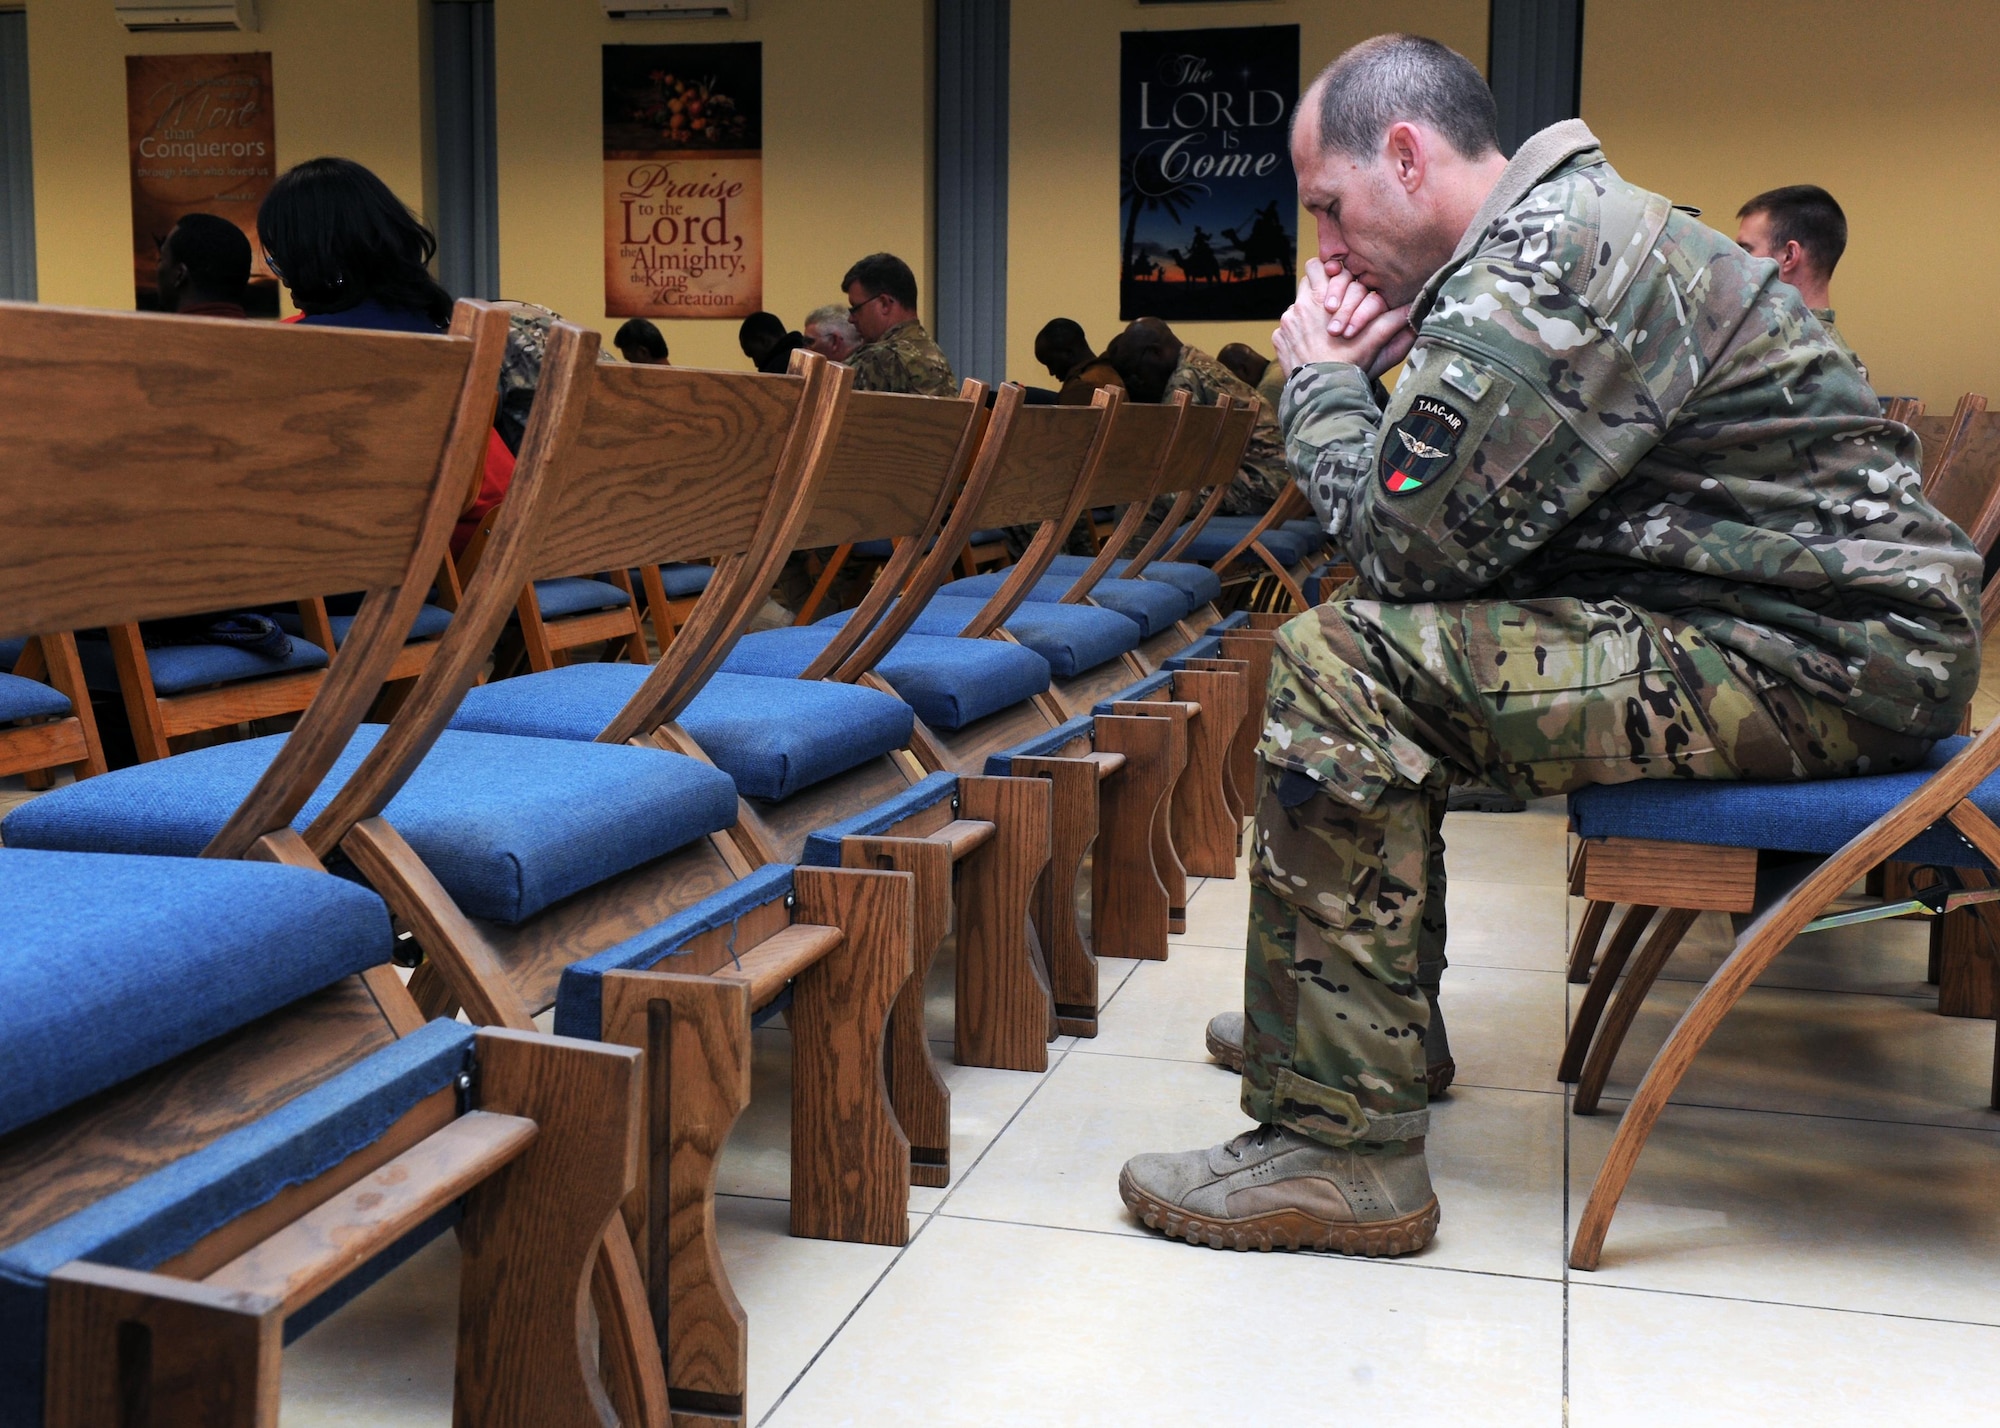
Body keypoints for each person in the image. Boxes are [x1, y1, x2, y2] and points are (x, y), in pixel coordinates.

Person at [1119, 34, 1978, 1259]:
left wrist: (1315, 378)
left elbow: (1398, 550)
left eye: (1327, 209)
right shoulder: (1548, 244)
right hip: (1809, 636)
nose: (1324, 252)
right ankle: (1362, 1043)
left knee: (1344, 662)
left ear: (1405, 156)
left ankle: (1339, 1151)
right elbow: (1460, 548)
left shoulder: (1542, 269)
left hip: (1817, 657)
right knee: (1374, 649)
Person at [259, 156, 511, 554]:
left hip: (414, 555)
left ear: (312, 256)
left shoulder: (301, 349)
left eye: (280, 260)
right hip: (499, 538)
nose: (284, 276)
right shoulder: (436, 331)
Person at [1104, 318, 1287, 514]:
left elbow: (1168, 457)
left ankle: (1156, 546)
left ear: (1155, 353)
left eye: (1136, 370)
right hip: (1278, 480)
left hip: (1262, 486)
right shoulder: (1198, 362)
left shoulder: (1184, 381)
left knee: (1141, 497)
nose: (1138, 381)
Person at [1736, 184, 1866, 382]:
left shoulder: (1825, 364)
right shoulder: (1773, 344)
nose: (1737, 264)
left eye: (1746, 251)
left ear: (1789, 256)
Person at [841, 252, 956, 395]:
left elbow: (828, 407)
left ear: (884, 304)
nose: (851, 319)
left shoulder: (879, 359)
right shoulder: (933, 353)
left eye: (855, 308)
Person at [156, 213, 254, 319]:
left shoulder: (159, 335)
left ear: (179, 274)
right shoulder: (268, 334)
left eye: (161, 259)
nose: (157, 268)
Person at [1034, 318, 1125, 405]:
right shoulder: (1109, 372)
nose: (1051, 372)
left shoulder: (1079, 389)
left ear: (1069, 353)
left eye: (1051, 363)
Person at [739, 311, 806, 375]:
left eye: (753, 355)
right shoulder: (807, 353)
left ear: (764, 341)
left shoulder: (774, 372)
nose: (756, 365)